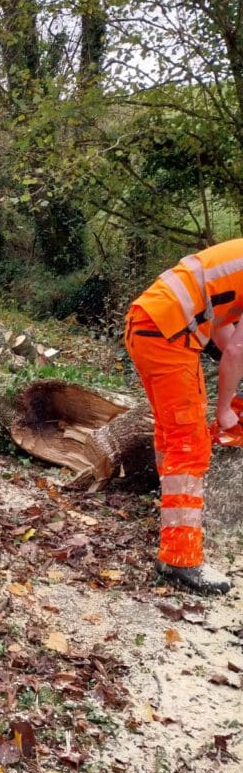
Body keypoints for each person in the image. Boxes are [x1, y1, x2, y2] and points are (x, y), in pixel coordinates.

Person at [125, 238, 243, 595]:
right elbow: (236, 350)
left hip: (148, 325)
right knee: (190, 445)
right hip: (167, 336)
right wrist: (225, 409)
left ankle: (171, 525)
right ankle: (180, 557)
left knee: (172, 433)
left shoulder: (235, 259)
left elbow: (220, 325)